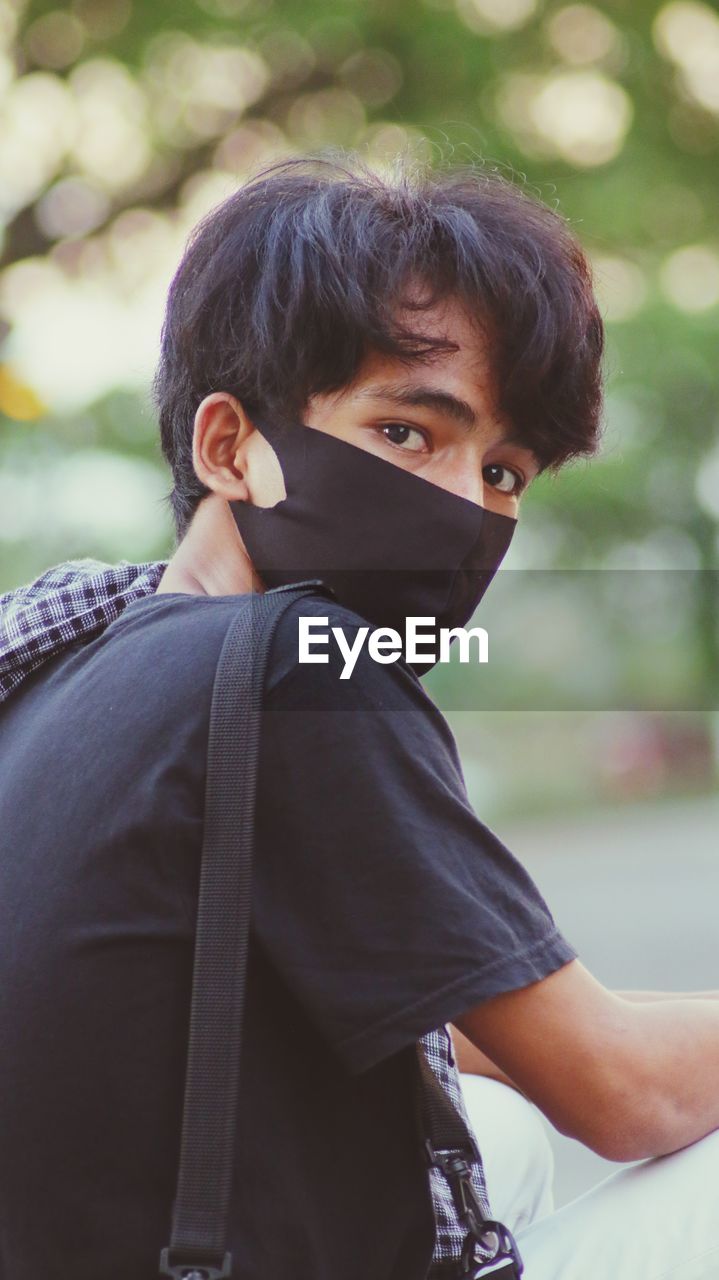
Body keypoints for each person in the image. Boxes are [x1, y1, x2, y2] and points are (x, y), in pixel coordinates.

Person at [1, 155, 719, 1280]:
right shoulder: (297, 669)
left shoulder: (62, 669)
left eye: (505, 470)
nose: (461, 506)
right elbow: (623, 1088)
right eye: (404, 434)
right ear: (229, 444)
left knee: (508, 1136)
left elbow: (485, 1022)